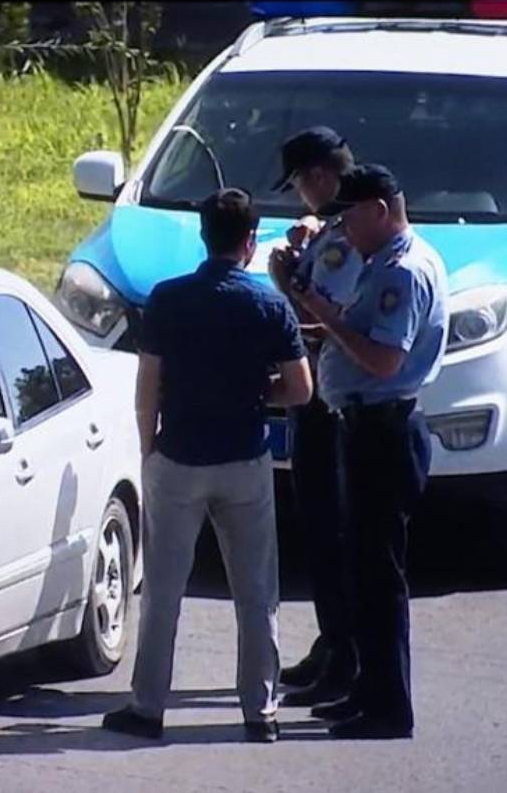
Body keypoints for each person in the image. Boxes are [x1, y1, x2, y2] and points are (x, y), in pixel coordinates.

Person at [101, 188, 313, 744]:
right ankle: (260, 711)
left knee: (164, 590)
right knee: (256, 591)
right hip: (245, 457)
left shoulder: (169, 300)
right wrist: (251, 389)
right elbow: (301, 389)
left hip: (179, 457)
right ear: (249, 242)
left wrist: (149, 448)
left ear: (203, 236)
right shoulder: (270, 304)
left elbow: (148, 388)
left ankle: (147, 707)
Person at [290, 164, 448, 739]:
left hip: (385, 430)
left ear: (379, 210)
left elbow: (384, 359)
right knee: (362, 567)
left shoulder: (401, 273)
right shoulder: (387, 262)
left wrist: (326, 317)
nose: (344, 231)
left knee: (380, 576)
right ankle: (367, 691)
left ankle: (388, 706)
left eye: (350, 216)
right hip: (367, 426)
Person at [266, 127, 366, 707]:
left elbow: (335, 322)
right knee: (323, 532)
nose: (300, 195)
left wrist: (289, 279)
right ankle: (334, 642)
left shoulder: (345, 236)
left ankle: (345, 654)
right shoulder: (338, 229)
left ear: (320, 176)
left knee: (333, 532)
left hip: (334, 402)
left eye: (301, 182)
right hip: (329, 395)